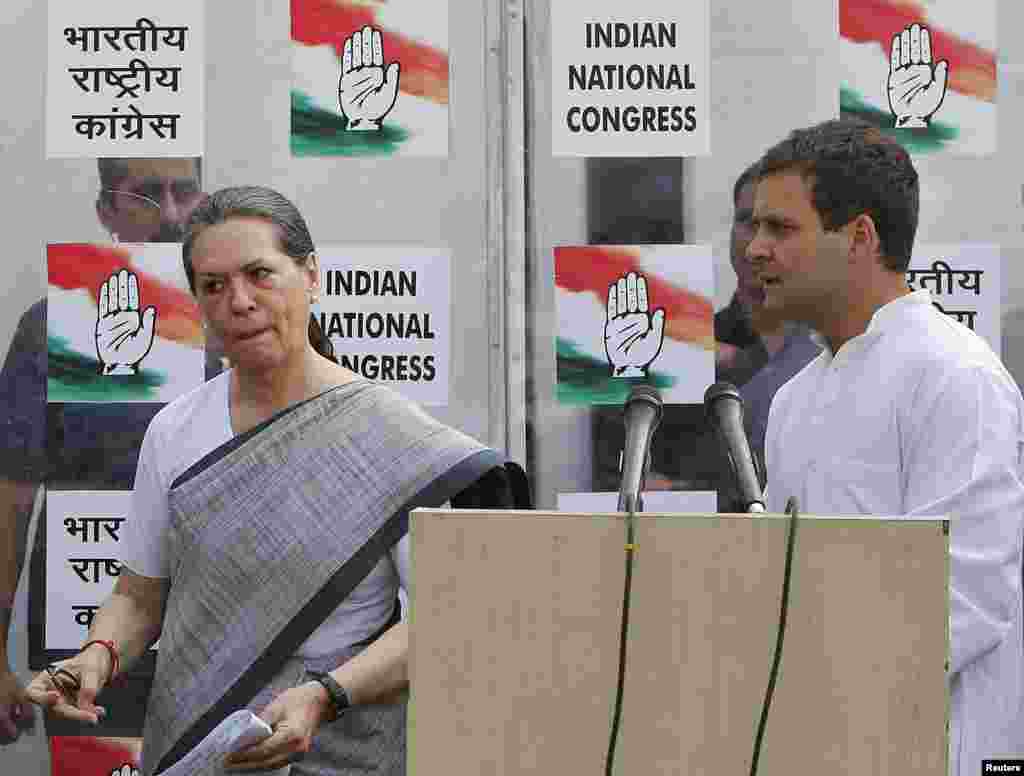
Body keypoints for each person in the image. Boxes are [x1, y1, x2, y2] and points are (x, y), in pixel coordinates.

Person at [21, 186, 520, 776]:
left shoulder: (393, 439)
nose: (239, 301)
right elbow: (138, 596)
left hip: (341, 752)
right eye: (213, 285)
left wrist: (324, 695)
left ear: (310, 275)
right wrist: (98, 655)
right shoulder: (175, 431)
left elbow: (445, 617)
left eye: (260, 274)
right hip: (195, 745)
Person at [748, 118, 1023, 775]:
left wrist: (825, 681)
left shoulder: (955, 375)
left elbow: (968, 595)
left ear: (860, 238)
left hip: (932, 749)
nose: (755, 249)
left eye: (780, 229)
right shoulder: (795, 398)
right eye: (755, 227)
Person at [0, 157, 206, 768]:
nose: (170, 214)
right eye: (145, 194)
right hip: (88, 633)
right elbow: (10, 499)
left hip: (213, 636)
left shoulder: (241, 321)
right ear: (105, 212)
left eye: (184, 192)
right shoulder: (54, 329)